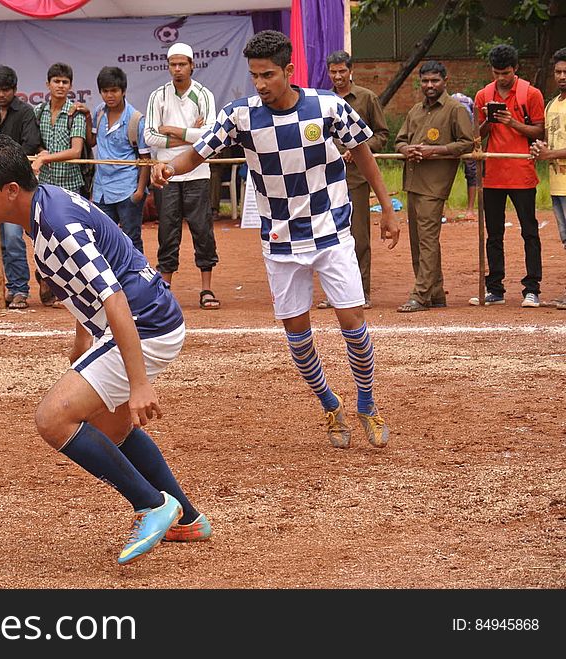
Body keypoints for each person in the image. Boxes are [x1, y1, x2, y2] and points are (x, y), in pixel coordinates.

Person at [0, 133, 210, 565]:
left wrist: (138, 385)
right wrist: (83, 339)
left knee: (53, 418)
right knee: (110, 430)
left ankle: (153, 505)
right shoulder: (42, 210)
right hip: (146, 320)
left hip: (142, 325)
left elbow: (113, 298)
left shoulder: (57, 225)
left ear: (11, 190)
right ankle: (187, 518)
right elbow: (84, 285)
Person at [152, 30, 400, 448]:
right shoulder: (239, 115)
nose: (261, 84)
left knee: (353, 323)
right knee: (297, 335)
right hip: (280, 239)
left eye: (268, 74)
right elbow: (199, 153)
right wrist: (169, 169)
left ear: (288, 70)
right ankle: (329, 404)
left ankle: (367, 404)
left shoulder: (328, 106)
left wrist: (388, 208)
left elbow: (362, 153)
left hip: (331, 231)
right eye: (254, 76)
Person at [144, 42, 220, 310]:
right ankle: (164, 291)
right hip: (166, 173)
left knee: (202, 230)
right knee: (167, 232)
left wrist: (172, 129)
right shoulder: (158, 96)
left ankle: (207, 290)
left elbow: (211, 135)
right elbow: (149, 135)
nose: (177, 69)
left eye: (182, 64)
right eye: (173, 64)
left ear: (192, 65)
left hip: (198, 172)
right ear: (168, 66)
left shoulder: (204, 95)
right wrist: (189, 136)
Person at [394, 61, 474, 312]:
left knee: (427, 241)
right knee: (419, 242)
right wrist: (407, 149)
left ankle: (420, 295)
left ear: (445, 81)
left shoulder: (454, 109)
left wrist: (434, 151)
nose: (429, 85)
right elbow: (399, 141)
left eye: (434, 81)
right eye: (425, 81)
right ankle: (436, 293)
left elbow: (467, 143)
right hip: (413, 182)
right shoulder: (416, 110)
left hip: (435, 185)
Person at [471, 44, 545, 308]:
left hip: (522, 172)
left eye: (505, 73)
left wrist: (512, 122)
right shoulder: (483, 95)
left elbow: (540, 132)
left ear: (515, 69)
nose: (500, 78)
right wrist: (488, 123)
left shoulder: (530, 93)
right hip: (493, 173)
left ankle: (532, 288)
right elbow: (476, 137)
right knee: (494, 234)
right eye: (496, 73)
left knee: (529, 232)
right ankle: (495, 288)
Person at [318, 50, 388, 310]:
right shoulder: (321, 101)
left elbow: (382, 135)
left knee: (359, 236)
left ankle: (361, 292)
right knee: (329, 236)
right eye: (333, 72)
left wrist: (357, 148)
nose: (338, 76)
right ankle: (334, 293)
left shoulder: (367, 98)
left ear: (351, 71)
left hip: (356, 179)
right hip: (325, 180)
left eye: (342, 71)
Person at [73, 66, 150, 254]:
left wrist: (139, 192)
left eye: (114, 90)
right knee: (102, 239)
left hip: (127, 190)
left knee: (132, 239)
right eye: (105, 91)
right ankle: (110, 281)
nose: (110, 95)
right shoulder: (99, 112)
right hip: (102, 191)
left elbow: (146, 159)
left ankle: (137, 280)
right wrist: (87, 118)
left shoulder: (135, 119)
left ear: (123, 91)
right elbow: (91, 142)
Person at [32, 62, 88, 308]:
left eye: (65, 82)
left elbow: (76, 150)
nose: (61, 86)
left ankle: (66, 287)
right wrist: (38, 151)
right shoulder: (38, 111)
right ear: (48, 84)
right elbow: (32, 141)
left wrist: (45, 157)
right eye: (56, 81)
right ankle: (46, 277)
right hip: (43, 185)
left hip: (69, 185)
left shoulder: (75, 113)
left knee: (68, 238)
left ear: (71, 86)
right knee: (42, 237)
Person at [0, 65, 42, 309]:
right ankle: (10, 287)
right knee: (0, 239)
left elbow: (30, 144)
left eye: (6, 89)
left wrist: (0, 153)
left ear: (15, 89)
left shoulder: (25, 112)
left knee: (12, 237)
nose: (1, 94)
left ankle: (20, 288)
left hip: (15, 186)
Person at [530, 47, 566, 309]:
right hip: (557, 183)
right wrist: (538, 149)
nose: (562, 76)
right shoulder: (553, 103)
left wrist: (549, 153)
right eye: (558, 72)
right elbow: (546, 139)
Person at [450, 91, 479, 221]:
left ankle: (470, 210)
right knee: (442, 173)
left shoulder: (468, 108)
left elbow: (474, 128)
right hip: (450, 140)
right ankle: (441, 210)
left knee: (472, 173)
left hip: (468, 140)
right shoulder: (448, 108)